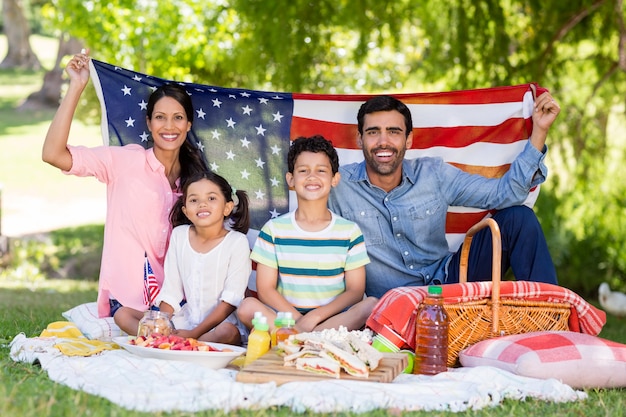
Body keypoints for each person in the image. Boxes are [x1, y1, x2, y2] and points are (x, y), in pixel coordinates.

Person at [328, 92, 561, 299]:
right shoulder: (337, 185)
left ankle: (549, 318)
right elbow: (307, 221)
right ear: (360, 139)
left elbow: (506, 194)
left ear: (408, 139)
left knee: (518, 218)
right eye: (373, 132)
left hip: (451, 284)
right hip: (391, 303)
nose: (383, 142)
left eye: (393, 131)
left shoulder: (434, 174)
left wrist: (539, 131)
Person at [42, 49, 208, 335]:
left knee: (218, 333)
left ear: (188, 124)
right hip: (128, 302)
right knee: (148, 330)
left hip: (176, 301)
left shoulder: (196, 184)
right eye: (160, 117)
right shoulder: (125, 161)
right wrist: (76, 87)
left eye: (178, 118)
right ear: (149, 123)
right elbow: (53, 154)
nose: (169, 126)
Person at [237, 135, 378, 333]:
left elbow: (355, 291)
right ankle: (309, 339)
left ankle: (302, 339)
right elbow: (266, 289)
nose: (312, 177)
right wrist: (298, 320)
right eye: (303, 171)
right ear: (291, 179)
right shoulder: (274, 230)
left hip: (331, 322)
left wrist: (315, 317)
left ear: (335, 179)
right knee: (247, 307)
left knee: (371, 305)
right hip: (287, 321)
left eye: (321, 170)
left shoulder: (349, 231)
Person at [153, 171, 251, 345]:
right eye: (193, 200)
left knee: (227, 332)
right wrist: (162, 323)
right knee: (124, 315)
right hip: (186, 320)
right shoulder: (179, 235)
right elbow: (171, 289)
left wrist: (194, 333)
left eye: (212, 198)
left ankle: (182, 342)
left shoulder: (237, 242)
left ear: (227, 207)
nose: (202, 204)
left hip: (219, 326)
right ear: (186, 211)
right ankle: (174, 339)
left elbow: (231, 299)